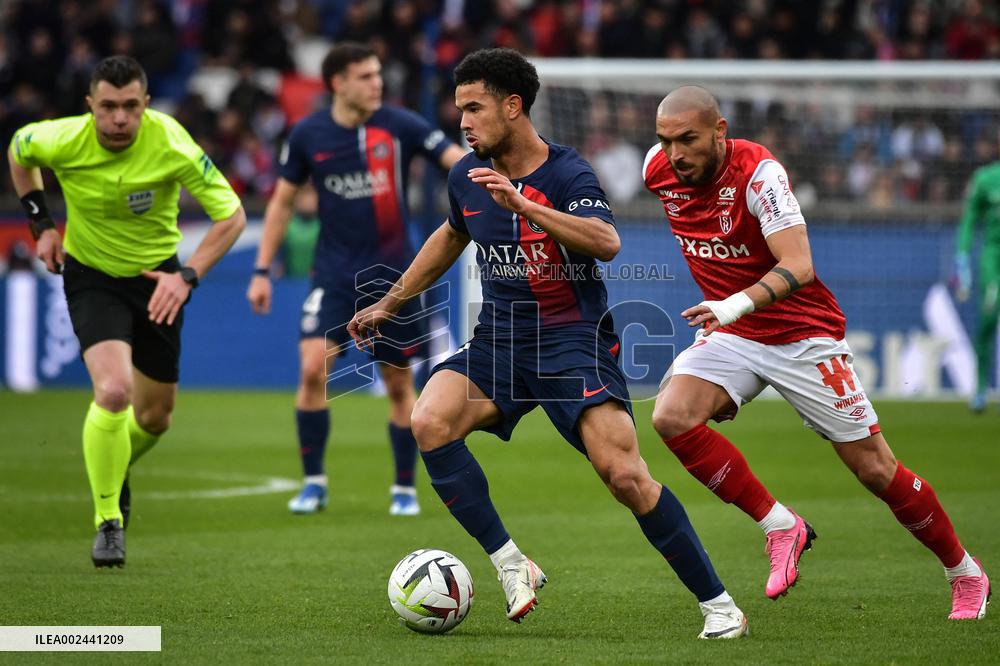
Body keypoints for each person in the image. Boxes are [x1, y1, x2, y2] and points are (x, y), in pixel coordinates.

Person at [350, 49, 747, 639]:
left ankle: (719, 605)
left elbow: (606, 242)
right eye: (459, 108)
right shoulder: (467, 175)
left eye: (474, 108)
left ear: (513, 107)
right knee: (429, 421)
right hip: (501, 341)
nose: (463, 121)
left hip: (571, 342)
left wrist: (526, 204)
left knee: (625, 476)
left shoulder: (567, 174)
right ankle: (513, 565)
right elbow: (451, 234)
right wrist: (390, 301)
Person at [644, 85, 989, 620]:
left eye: (687, 139)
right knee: (671, 416)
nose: (675, 154)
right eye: (665, 141)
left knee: (875, 470)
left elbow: (800, 264)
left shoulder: (762, 176)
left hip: (802, 335)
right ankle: (781, 525)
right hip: (734, 332)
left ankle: (964, 571)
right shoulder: (657, 170)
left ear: (719, 130)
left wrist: (733, 305)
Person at [7, 56, 246, 568]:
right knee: (114, 391)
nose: (120, 119)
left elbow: (232, 216)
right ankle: (108, 520)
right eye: (109, 107)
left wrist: (187, 277)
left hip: (158, 280)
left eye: (130, 107)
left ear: (146, 106)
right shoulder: (58, 139)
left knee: (155, 417)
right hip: (91, 275)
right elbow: (17, 151)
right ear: (90, 106)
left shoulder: (172, 142)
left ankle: (110, 468)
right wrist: (42, 225)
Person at [247, 43, 465, 516]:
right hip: (333, 275)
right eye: (365, 76)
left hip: (393, 281)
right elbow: (282, 202)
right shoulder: (308, 134)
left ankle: (403, 488)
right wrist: (262, 269)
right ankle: (314, 483)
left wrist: (498, 180)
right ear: (337, 83)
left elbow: (456, 159)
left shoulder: (400, 124)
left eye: (377, 74)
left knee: (398, 385)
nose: (377, 83)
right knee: (311, 371)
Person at [954, 150, 1000, 413]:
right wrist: (962, 258)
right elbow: (969, 221)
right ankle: (981, 387)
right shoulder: (986, 178)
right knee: (988, 319)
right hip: (994, 259)